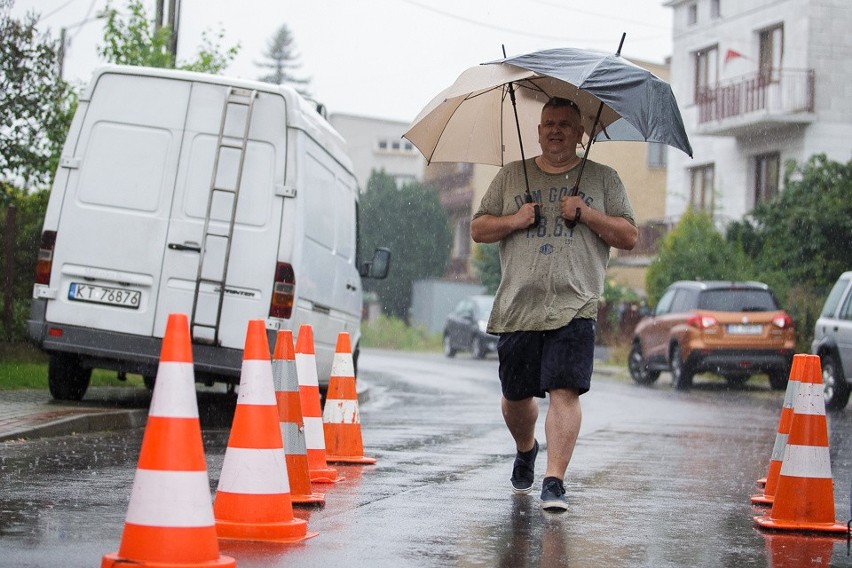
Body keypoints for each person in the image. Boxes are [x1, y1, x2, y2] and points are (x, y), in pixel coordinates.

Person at [470, 96, 638, 512]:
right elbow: (478, 227)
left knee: (565, 391)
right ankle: (526, 448)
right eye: (548, 123)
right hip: (518, 306)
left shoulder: (603, 179)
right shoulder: (513, 177)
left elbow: (628, 235)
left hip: (574, 303)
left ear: (582, 132)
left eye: (565, 123)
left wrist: (587, 213)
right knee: (515, 396)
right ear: (539, 130)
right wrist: (514, 220)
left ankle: (554, 480)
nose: (555, 130)